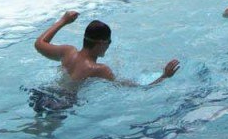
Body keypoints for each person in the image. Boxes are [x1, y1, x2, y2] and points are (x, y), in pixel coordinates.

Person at [34, 10, 179, 88]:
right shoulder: (99, 69)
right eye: (109, 41)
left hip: (45, 93)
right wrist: (164, 76)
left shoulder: (67, 51)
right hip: (61, 106)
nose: (109, 45)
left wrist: (63, 21)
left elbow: (39, 43)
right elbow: (136, 89)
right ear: (102, 43)